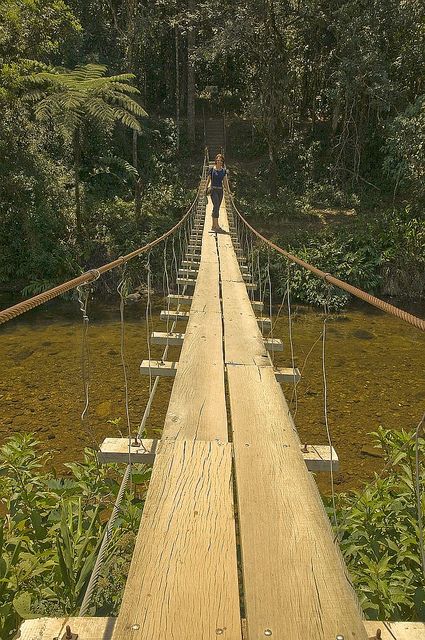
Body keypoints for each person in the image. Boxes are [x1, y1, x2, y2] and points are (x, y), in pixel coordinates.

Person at [205, 153, 228, 232]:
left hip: (220, 191)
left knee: (217, 207)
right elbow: (208, 179)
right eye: (217, 160)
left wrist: (228, 191)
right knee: (216, 205)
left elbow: (225, 182)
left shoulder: (223, 171)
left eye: (220, 160)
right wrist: (205, 188)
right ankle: (216, 225)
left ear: (222, 162)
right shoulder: (212, 169)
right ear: (216, 161)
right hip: (213, 190)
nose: (219, 162)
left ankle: (213, 225)